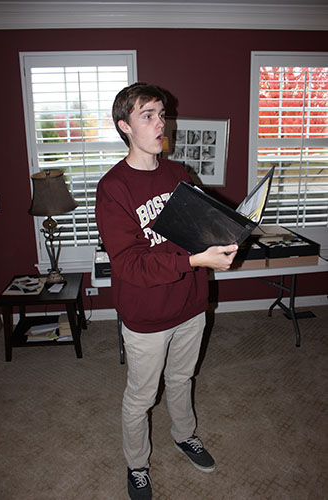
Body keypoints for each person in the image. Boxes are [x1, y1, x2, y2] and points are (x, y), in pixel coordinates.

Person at [95, 82, 237, 500]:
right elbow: (130, 265)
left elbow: (202, 225)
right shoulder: (113, 189)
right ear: (125, 126)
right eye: (149, 116)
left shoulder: (178, 173)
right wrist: (195, 261)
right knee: (141, 396)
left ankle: (184, 434)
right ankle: (137, 464)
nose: (161, 123)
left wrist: (232, 228)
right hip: (147, 316)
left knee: (181, 378)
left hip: (191, 305)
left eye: (161, 114)